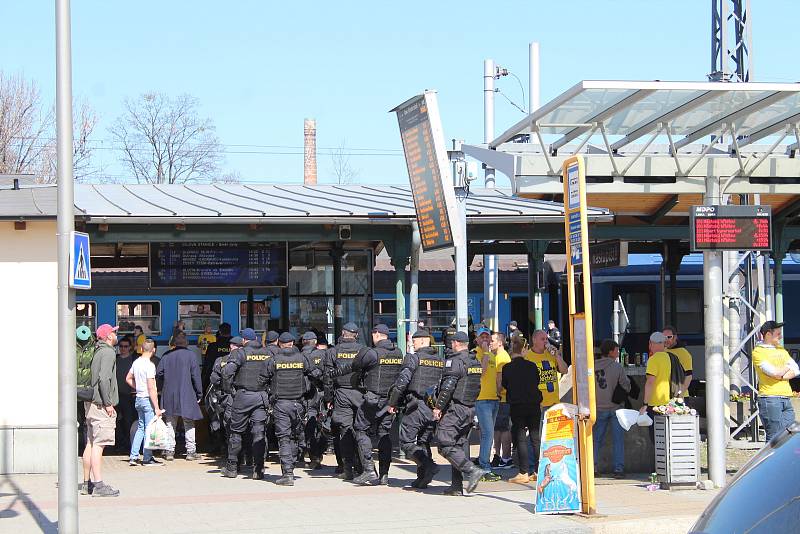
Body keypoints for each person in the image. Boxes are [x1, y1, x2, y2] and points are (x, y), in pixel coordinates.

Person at [259, 332, 320, 486]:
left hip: (281, 404)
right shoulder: (302, 358)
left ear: (279, 343)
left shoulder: (273, 360)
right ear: (292, 343)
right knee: (294, 435)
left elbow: (262, 380)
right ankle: (292, 465)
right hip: (298, 404)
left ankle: (287, 473)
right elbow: (316, 374)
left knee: (284, 437)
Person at [388, 328, 444, 489]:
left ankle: (429, 465)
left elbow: (402, 382)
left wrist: (393, 402)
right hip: (433, 408)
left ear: (421, 341)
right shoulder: (440, 360)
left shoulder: (413, 358)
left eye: (414, 341)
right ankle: (423, 478)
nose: (412, 344)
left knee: (406, 442)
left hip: (416, 406)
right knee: (424, 442)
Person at [434, 330, 487, 495]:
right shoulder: (474, 361)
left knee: (444, 442)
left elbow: (448, 388)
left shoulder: (455, 362)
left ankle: (472, 471)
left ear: (455, 343)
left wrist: (438, 407)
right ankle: (456, 486)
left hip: (456, 408)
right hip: (470, 409)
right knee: (456, 446)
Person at [352, 324, 403, 485]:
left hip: (372, 399)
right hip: (389, 401)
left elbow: (356, 366)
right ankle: (384, 475)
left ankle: (368, 470)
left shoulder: (372, 353)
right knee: (384, 433)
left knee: (360, 430)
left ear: (376, 334)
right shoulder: (398, 352)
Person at [323, 322, 373, 481]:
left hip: (342, 394)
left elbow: (328, 378)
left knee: (345, 431)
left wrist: (328, 398)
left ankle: (348, 468)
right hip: (360, 393)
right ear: (356, 335)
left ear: (343, 334)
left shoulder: (333, 352)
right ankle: (361, 466)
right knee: (360, 430)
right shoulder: (364, 351)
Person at [221, 328, 271, 479]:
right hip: (261, 396)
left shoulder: (239, 353)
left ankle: (232, 468)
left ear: (243, 340)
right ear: (255, 338)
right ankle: (258, 469)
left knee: (236, 432)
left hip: (243, 396)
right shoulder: (267, 353)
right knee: (258, 432)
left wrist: (230, 390)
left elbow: (226, 373)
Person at [81, 323, 120, 497]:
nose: (115, 334)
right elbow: (104, 379)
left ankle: (86, 483)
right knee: (99, 444)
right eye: (113, 332)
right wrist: (108, 403)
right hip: (101, 405)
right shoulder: (109, 352)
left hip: (91, 404)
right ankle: (98, 485)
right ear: (108, 336)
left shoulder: (96, 351)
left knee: (90, 442)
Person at [500, 335, 542, 484]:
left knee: (521, 437)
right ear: (524, 350)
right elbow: (537, 381)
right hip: (534, 404)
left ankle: (523, 472)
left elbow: (504, 385)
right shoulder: (531, 366)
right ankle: (538, 471)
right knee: (535, 438)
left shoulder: (507, 368)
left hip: (517, 405)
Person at [525, 329, 568, 475]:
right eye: (543, 339)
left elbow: (564, 370)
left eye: (546, 339)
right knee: (535, 436)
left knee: (552, 436)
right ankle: (532, 467)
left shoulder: (551, 354)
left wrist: (557, 356)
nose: (546, 342)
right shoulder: (528, 357)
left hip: (553, 402)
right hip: (537, 403)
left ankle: (550, 465)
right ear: (534, 340)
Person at [157, 331, 203, 461]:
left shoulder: (166, 356)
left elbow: (159, 373)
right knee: (189, 422)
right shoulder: (191, 355)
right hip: (187, 393)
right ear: (186, 343)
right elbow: (196, 376)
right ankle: (190, 451)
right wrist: (199, 393)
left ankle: (170, 451)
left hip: (169, 394)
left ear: (174, 343)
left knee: (170, 423)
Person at [752, 321, 799, 442]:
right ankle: (769, 460)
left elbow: (796, 369)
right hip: (770, 398)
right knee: (774, 437)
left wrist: (782, 375)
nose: (781, 336)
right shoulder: (758, 352)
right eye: (778, 334)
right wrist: (787, 368)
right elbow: (774, 372)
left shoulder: (781, 350)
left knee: (789, 434)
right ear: (768, 334)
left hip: (785, 398)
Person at [474, 327, 508, 482]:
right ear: (477, 339)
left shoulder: (493, 355)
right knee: (488, 434)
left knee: (487, 434)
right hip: (482, 399)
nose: (486, 340)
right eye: (483, 337)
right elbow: (482, 371)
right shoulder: (476, 353)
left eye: (488, 337)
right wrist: (486, 352)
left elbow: (495, 378)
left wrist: (498, 393)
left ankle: (483, 464)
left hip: (493, 399)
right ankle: (484, 467)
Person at [593, 339, 630, 478]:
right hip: (616, 408)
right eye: (616, 350)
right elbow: (626, 385)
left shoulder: (592, 366)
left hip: (598, 408)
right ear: (610, 351)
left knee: (596, 439)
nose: (618, 352)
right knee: (618, 440)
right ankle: (618, 469)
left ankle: (593, 467)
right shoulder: (617, 367)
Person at [127, 339, 165, 466]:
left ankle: (133, 456)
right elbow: (151, 388)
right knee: (149, 429)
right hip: (147, 399)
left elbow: (128, 378)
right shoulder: (150, 365)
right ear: (153, 350)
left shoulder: (136, 362)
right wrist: (157, 408)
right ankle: (147, 458)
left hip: (138, 398)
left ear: (142, 349)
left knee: (141, 428)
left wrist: (138, 387)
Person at [299, 331, 327, 469]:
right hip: (321, 393)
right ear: (315, 342)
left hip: (305, 395)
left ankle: (312, 455)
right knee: (322, 425)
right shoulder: (323, 354)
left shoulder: (298, 356)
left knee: (308, 425)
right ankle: (318, 454)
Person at [639, 332, 674, 439]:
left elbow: (650, 382)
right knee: (665, 437)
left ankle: (659, 457)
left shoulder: (653, 360)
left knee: (656, 438)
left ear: (651, 343)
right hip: (667, 403)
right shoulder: (668, 357)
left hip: (655, 404)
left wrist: (645, 404)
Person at [492, 332, 513, 470]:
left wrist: (497, 393)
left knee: (504, 429)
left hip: (503, 398)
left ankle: (506, 458)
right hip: (501, 398)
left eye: (493, 340)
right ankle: (499, 456)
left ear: (500, 342)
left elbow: (499, 378)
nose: (490, 342)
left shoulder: (501, 357)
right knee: (498, 428)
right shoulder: (498, 356)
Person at [115, 336, 137, 453]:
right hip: (116, 395)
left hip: (129, 395)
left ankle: (129, 444)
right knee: (116, 421)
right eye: (121, 346)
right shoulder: (115, 359)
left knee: (128, 421)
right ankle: (119, 443)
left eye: (125, 346)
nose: (123, 349)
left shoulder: (133, 360)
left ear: (130, 348)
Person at [663, 325, 693, 395]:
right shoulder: (663, 350)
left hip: (679, 396)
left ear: (675, 337)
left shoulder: (684, 353)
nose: (666, 339)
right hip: (667, 395)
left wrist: (680, 394)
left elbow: (688, 376)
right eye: (663, 337)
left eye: (669, 337)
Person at [203, 322, 232, 394]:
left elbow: (207, 366)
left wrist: (203, 386)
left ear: (220, 332)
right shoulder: (235, 345)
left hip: (215, 379)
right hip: (231, 378)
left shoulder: (212, 346)